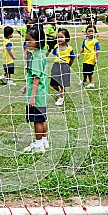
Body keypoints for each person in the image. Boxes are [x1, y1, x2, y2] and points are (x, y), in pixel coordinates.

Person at [20, 24, 49, 153]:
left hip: (36, 95)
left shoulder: (36, 57)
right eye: (26, 40)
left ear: (39, 41)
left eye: (29, 40)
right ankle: (44, 141)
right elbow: (37, 76)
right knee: (43, 118)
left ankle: (38, 145)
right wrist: (27, 85)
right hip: (42, 93)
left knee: (37, 120)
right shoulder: (42, 54)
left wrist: (32, 97)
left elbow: (36, 78)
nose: (27, 43)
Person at [50, 28, 75, 106]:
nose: (59, 39)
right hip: (56, 66)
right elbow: (53, 54)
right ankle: (60, 92)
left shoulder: (69, 48)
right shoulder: (56, 47)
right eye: (58, 37)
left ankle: (61, 97)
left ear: (66, 38)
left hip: (64, 66)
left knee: (62, 84)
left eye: (61, 37)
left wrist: (68, 66)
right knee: (53, 84)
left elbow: (72, 58)